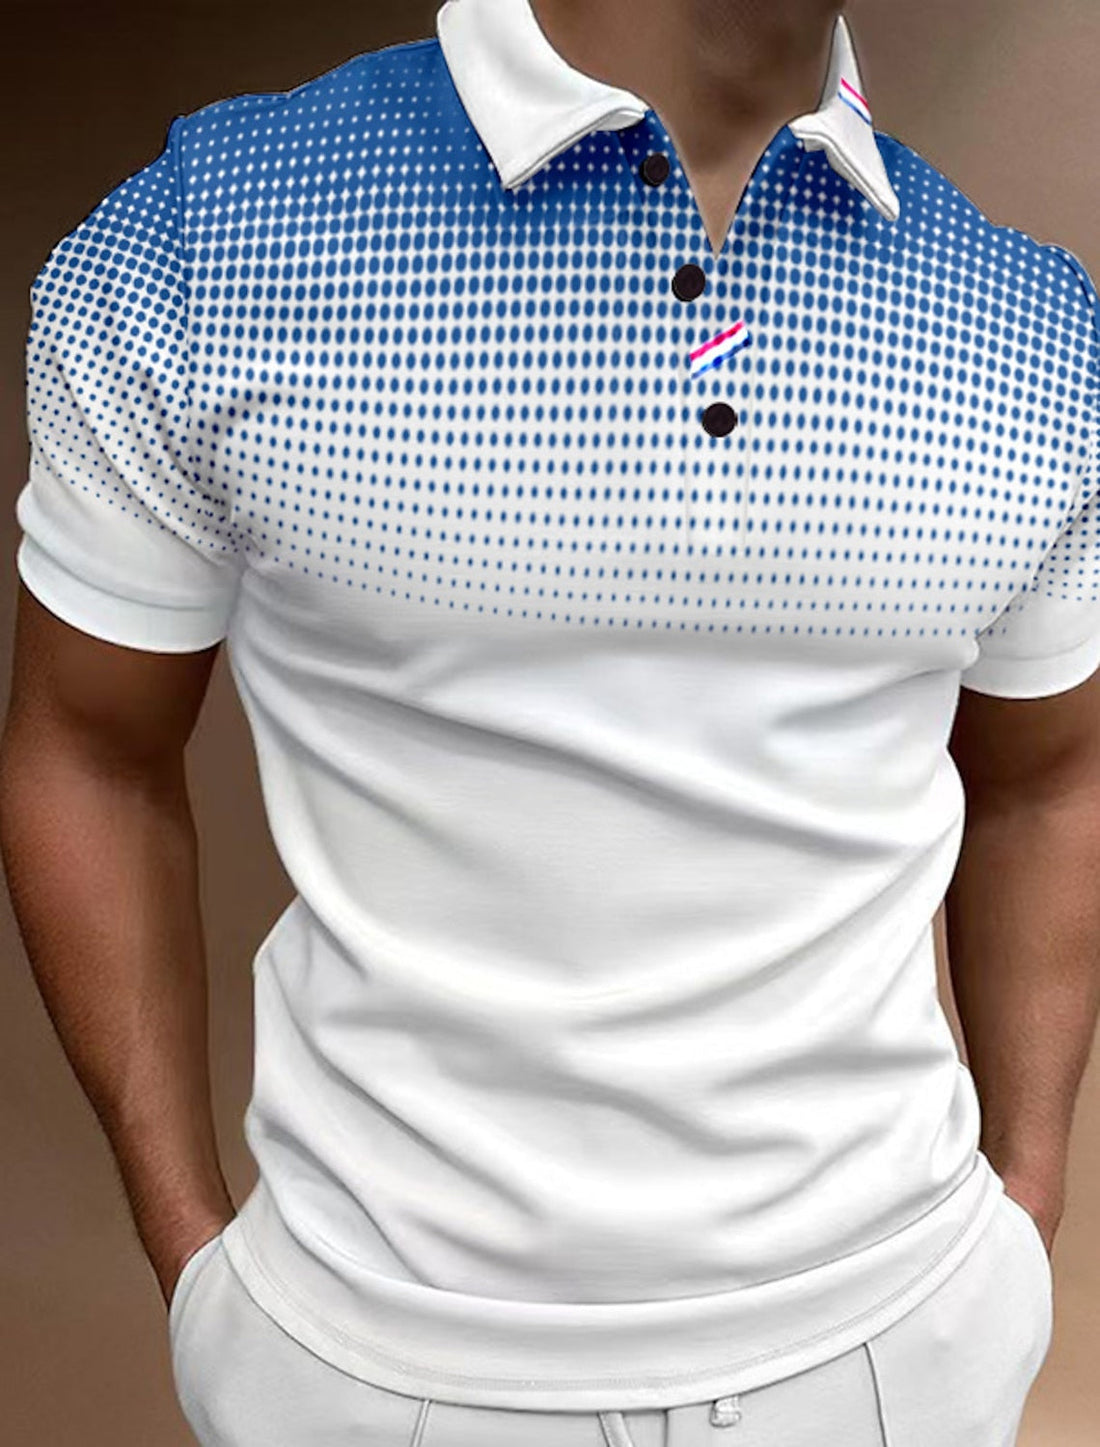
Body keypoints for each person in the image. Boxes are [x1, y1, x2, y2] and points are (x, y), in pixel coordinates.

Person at [4, 0, 1100, 1442]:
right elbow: (87, 749)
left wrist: (1022, 1216)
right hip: (364, 1366)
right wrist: (195, 1258)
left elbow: (1048, 781)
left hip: (904, 1344)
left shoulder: (1032, 324)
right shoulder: (215, 236)